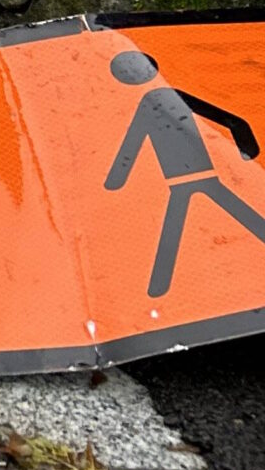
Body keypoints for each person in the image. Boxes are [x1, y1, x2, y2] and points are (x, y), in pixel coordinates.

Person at [104, 50, 265, 296]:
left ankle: (158, 286)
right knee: (182, 222)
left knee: (179, 223)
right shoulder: (160, 101)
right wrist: (246, 148)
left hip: (193, 177)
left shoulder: (164, 100)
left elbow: (225, 118)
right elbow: (133, 142)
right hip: (185, 179)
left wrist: (117, 179)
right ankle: (158, 287)